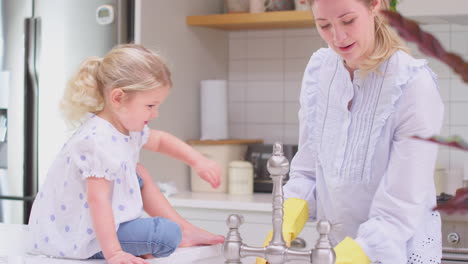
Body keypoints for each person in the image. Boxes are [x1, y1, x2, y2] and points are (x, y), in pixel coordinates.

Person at [257, 0, 443, 263]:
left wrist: (353, 254)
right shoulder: (320, 71)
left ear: (375, 6)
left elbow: (401, 207)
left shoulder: (412, 84)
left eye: (348, 21)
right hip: (337, 250)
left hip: (399, 255)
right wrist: (283, 224)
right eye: (324, 25)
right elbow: (309, 172)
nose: (338, 37)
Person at [28, 44, 225, 264]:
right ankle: (174, 233)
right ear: (118, 98)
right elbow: (98, 200)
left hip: (94, 226)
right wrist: (114, 253)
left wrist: (198, 161)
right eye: (150, 105)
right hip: (78, 236)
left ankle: (185, 229)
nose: (155, 113)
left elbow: (160, 141)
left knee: (138, 171)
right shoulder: (97, 140)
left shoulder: (125, 129)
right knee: (166, 236)